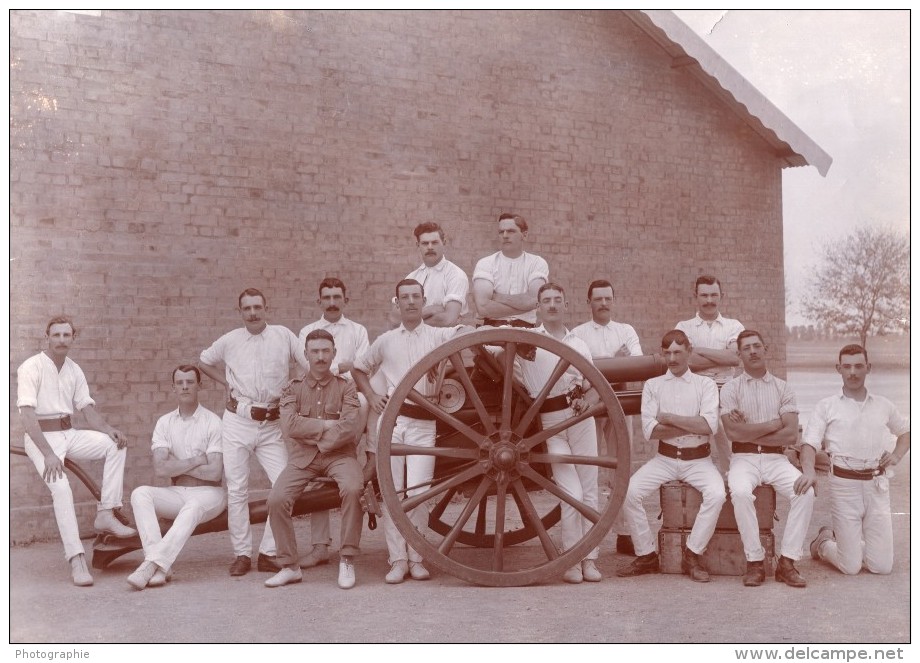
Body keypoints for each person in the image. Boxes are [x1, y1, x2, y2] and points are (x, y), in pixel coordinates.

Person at [352, 278, 470, 584]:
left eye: (415, 297)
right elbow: (358, 368)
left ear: (424, 300)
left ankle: (417, 558)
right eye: (404, 298)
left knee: (418, 493)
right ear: (397, 303)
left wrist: (450, 346)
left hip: (424, 424)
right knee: (392, 493)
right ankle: (398, 560)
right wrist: (372, 395)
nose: (410, 302)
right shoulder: (386, 340)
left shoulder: (437, 335)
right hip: (392, 423)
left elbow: (466, 333)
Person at [16, 316, 136, 587]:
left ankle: (106, 513)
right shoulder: (31, 367)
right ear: (46, 336)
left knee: (114, 445)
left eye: (66, 335)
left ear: (73, 338)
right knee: (61, 489)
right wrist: (48, 453)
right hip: (41, 439)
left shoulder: (73, 369)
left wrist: (108, 429)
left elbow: (86, 409)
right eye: (56, 335)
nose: (61, 340)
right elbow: (27, 416)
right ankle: (76, 559)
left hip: (68, 433)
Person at [199, 288, 308, 576]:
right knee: (237, 489)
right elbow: (204, 361)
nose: (253, 313)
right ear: (240, 312)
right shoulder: (230, 340)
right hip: (238, 421)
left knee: (284, 485)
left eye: (257, 307)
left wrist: (296, 389)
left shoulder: (283, 335)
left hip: (272, 423)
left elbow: (308, 364)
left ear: (266, 308)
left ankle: (269, 551)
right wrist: (226, 385)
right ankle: (242, 554)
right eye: (246, 308)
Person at [511, 283, 603, 584]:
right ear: (538, 307)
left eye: (557, 301)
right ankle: (571, 558)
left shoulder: (579, 343)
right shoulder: (528, 341)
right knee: (570, 492)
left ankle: (589, 559)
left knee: (589, 490)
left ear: (566, 305)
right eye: (546, 301)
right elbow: (493, 347)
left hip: (580, 418)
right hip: (550, 422)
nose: (552, 305)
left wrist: (585, 401)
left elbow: (594, 385)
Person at [617, 329, 725, 583]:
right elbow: (651, 431)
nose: (673, 358)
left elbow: (709, 427)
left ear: (689, 350)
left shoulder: (706, 385)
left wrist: (669, 418)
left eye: (678, 352)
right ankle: (646, 555)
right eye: (667, 353)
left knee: (717, 494)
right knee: (629, 492)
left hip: (699, 461)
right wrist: (691, 422)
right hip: (664, 460)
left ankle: (692, 554)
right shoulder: (653, 386)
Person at [265, 329, 364, 589]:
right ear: (306, 355)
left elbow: (351, 426)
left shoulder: (347, 386)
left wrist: (318, 436)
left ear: (333, 353)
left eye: (325, 351)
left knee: (353, 488)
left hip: (340, 456)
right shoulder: (292, 388)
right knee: (276, 499)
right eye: (315, 351)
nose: (320, 357)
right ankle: (289, 566)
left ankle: (347, 559)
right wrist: (327, 427)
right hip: (303, 459)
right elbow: (289, 426)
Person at [804, 344, 910, 576]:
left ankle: (859, 547)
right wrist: (809, 471)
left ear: (868, 368)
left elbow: (906, 433)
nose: (853, 372)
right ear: (838, 369)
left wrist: (895, 456)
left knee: (881, 567)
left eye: (859, 366)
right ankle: (823, 543)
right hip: (844, 487)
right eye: (847, 366)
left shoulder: (883, 405)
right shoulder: (827, 406)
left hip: (877, 485)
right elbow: (809, 444)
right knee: (850, 567)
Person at [721, 331, 815, 588]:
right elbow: (733, 432)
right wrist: (774, 424)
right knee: (739, 492)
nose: (752, 351)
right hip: (743, 458)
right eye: (746, 348)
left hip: (776, 459)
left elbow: (790, 433)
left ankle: (787, 562)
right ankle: (755, 562)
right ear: (739, 355)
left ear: (765, 349)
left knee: (805, 493)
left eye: (756, 346)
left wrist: (753, 430)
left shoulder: (783, 388)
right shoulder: (730, 389)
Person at [127, 365, 226, 590]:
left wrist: (176, 464)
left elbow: (215, 472)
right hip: (177, 491)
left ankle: (150, 565)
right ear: (173, 388)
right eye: (180, 383)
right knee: (140, 493)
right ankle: (161, 567)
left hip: (211, 493)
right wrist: (196, 460)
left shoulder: (213, 422)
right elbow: (160, 469)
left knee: (192, 505)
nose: (184, 386)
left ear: (199, 385)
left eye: (190, 382)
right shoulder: (164, 423)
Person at [296, 277, 371, 569]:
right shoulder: (308, 331)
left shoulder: (357, 331)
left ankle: (352, 445)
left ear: (345, 300)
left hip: (348, 400)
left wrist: (343, 371)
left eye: (337, 296)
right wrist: (342, 366)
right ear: (319, 301)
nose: (331, 302)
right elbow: (310, 369)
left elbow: (363, 365)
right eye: (326, 297)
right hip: (318, 402)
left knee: (364, 402)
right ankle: (319, 547)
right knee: (317, 477)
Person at [571, 279, 642, 555]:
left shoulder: (626, 331)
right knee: (586, 467)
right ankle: (586, 534)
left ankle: (625, 533)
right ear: (588, 302)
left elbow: (635, 366)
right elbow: (576, 371)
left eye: (607, 298)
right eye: (598, 299)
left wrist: (600, 364)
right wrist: (615, 361)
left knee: (620, 465)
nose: (603, 304)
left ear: (614, 301)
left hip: (619, 404)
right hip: (588, 405)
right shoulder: (577, 334)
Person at [675, 275, 744, 475]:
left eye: (714, 295)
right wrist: (721, 355)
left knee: (729, 448)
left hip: (726, 391)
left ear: (722, 296)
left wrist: (698, 350)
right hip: (694, 391)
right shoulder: (683, 327)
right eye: (704, 295)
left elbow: (734, 358)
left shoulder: (734, 326)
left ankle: (733, 489)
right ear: (695, 296)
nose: (709, 301)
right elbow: (685, 362)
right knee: (693, 446)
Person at [386, 222, 470, 328]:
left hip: (445, 341)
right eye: (425, 243)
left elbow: (448, 320)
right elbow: (394, 319)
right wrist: (433, 310)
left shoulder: (455, 275)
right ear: (418, 245)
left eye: (435, 242)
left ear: (443, 243)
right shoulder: (411, 277)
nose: (430, 247)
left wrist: (409, 320)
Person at [472, 212, 548, 328]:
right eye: (501, 232)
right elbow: (483, 308)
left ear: (525, 235)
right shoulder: (485, 263)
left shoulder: (537, 263)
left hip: (526, 332)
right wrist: (525, 306)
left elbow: (534, 300)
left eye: (511, 231)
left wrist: (498, 297)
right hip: (491, 330)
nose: (505, 235)